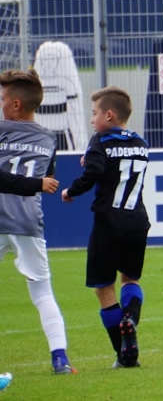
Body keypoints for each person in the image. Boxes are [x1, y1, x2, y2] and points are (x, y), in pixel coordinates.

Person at [62, 86, 151, 368]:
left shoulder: (99, 141)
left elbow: (95, 172)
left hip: (108, 224)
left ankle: (124, 355)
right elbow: (116, 165)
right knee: (130, 280)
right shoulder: (141, 143)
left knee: (103, 288)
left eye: (94, 113)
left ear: (109, 115)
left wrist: (71, 191)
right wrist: (92, 158)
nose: (92, 119)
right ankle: (130, 318)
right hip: (137, 222)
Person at [0, 69, 76, 375]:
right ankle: (60, 359)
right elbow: (49, 177)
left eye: (2, 99)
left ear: (16, 104)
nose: (1, 104)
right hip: (29, 222)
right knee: (43, 293)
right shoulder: (48, 138)